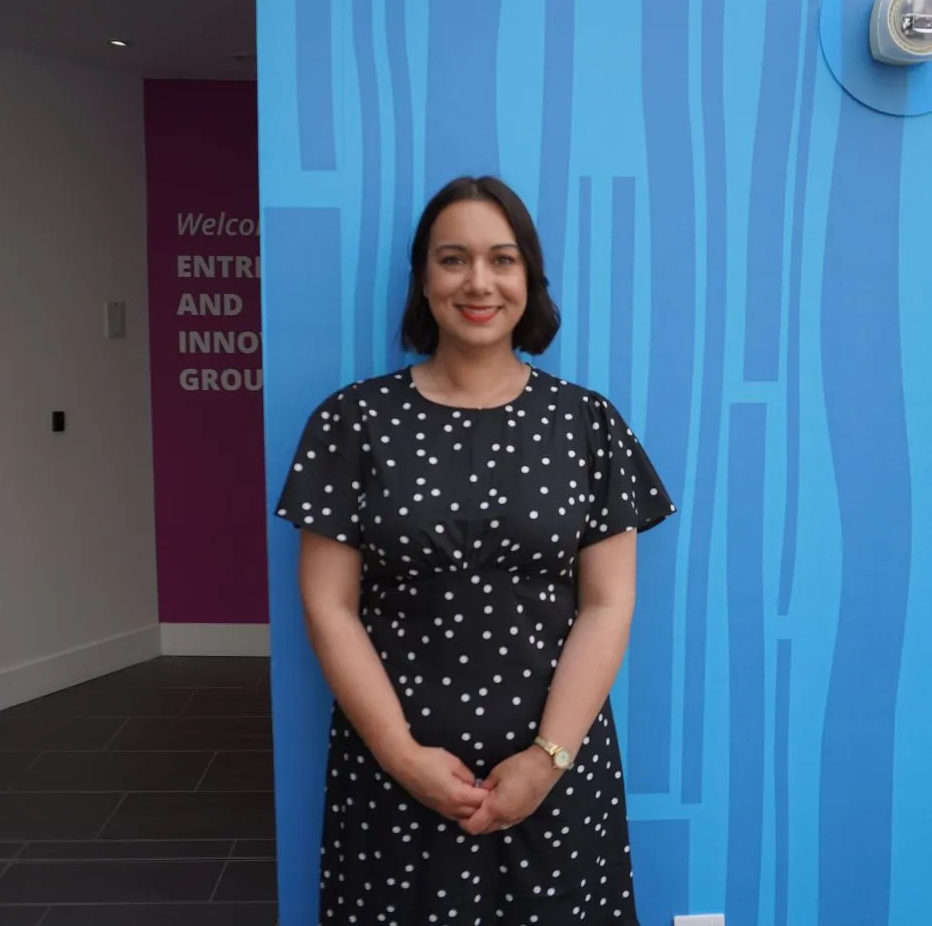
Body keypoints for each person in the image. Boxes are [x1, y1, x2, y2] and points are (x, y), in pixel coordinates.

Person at [274, 174, 676, 924]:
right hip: (393, 778)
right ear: (423, 281)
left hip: (554, 775)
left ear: (530, 278)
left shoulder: (587, 424)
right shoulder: (352, 421)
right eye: (453, 259)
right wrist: (402, 757)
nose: (479, 282)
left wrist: (547, 761)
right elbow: (328, 605)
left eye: (502, 259)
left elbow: (608, 603)